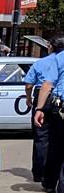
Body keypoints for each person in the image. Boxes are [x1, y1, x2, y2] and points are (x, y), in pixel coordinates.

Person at [32, 35, 64, 193]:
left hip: (59, 106)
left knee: (55, 146)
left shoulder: (58, 59)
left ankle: (50, 182)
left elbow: (47, 84)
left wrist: (39, 108)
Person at [24, 46, 59, 182]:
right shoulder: (61, 61)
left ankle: (39, 173)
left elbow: (28, 84)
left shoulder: (40, 62)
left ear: (51, 47)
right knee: (57, 137)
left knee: (41, 137)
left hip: (41, 96)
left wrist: (28, 99)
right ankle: (53, 174)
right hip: (58, 97)